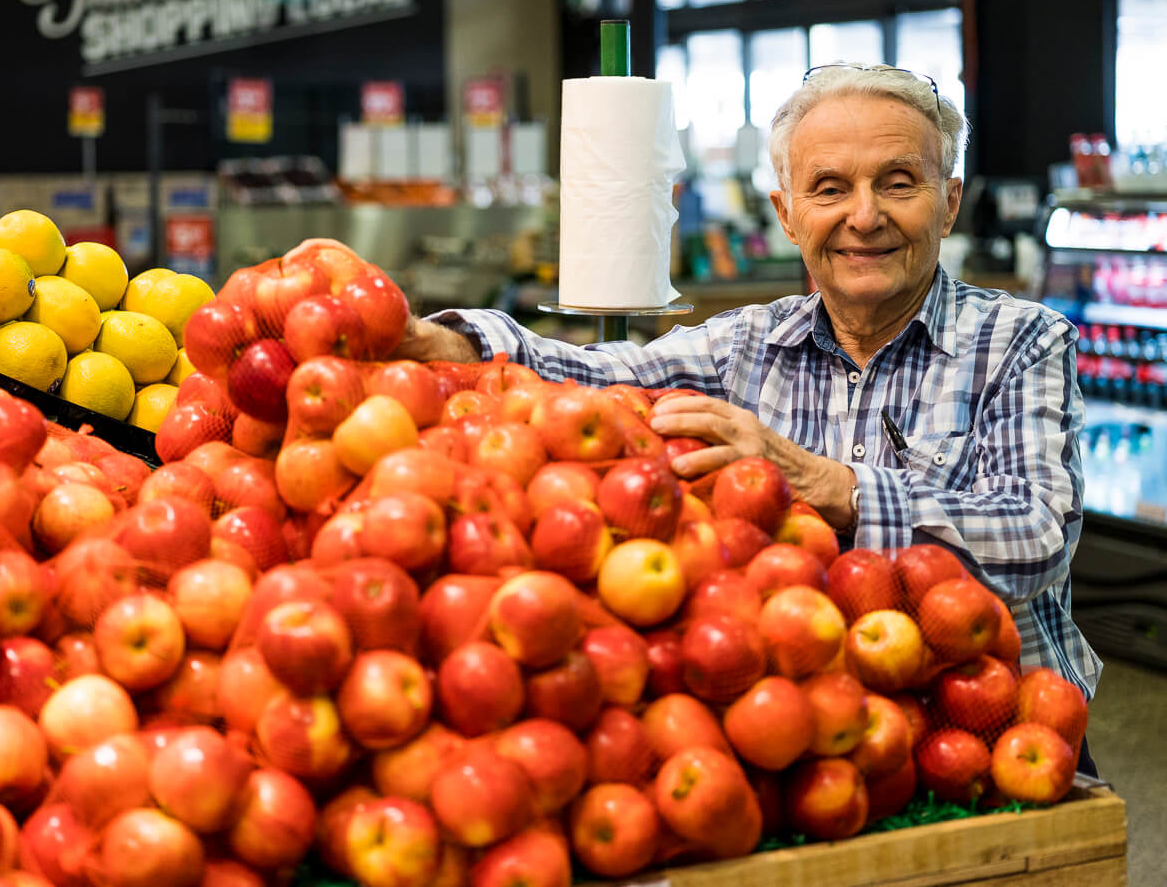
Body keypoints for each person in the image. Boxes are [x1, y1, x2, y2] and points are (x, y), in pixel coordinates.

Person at [399, 63, 1102, 725]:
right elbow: (595, 376)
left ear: (947, 204)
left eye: (897, 183)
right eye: (829, 189)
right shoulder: (745, 344)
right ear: (788, 214)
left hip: (995, 726)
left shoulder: (1023, 341)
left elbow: (1034, 535)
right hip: (817, 724)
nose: (863, 216)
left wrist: (824, 482)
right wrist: (455, 347)